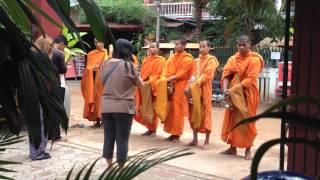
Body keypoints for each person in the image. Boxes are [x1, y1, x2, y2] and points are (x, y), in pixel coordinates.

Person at [100, 39, 144, 167]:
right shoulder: (129, 65)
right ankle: (121, 168)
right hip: (124, 108)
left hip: (107, 107)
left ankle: (109, 166)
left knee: (108, 138)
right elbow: (140, 84)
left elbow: (103, 81)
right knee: (122, 140)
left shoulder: (104, 64)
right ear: (127, 50)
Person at [220, 35, 264, 160]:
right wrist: (225, 91)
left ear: (250, 45)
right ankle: (232, 148)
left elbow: (250, 79)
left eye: (244, 45)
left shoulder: (254, 59)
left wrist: (233, 90)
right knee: (232, 120)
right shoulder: (232, 59)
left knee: (247, 122)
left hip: (248, 94)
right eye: (239, 45)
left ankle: (248, 150)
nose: (241, 47)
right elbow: (227, 75)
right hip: (232, 95)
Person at [155, 37, 195, 142]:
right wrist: (163, 79)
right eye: (175, 44)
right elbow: (165, 70)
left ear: (184, 46)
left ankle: (177, 133)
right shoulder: (171, 58)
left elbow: (182, 73)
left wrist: (167, 79)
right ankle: (171, 132)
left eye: (178, 44)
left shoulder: (188, 59)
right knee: (170, 109)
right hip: (169, 85)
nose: (176, 46)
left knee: (178, 110)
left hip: (180, 86)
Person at [185, 40, 219, 149]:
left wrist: (196, 84)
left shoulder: (212, 60)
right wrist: (188, 86)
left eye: (204, 46)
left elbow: (208, 75)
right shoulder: (196, 61)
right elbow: (193, 76)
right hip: (194, 90)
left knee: (206, 114)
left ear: (209, 48)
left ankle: (207, 141)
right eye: (200, 46)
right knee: (194, 113)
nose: (202, 48)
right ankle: (195, 139)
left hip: (205, 90)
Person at [134, 42, 166, 136]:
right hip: (144, 86)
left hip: (153, 87)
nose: (151, 49)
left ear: (158, 49)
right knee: (144, 106)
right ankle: (149, 128)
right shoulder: (145, 60)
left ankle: (153, 129)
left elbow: (159, 74)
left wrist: (149, 82)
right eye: (150, 47)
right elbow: (143, 72)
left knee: (152, 107)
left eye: (153, 47)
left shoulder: (161, 60)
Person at [30, 36, 53, 160]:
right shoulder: (40, 58)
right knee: (39, 123)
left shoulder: (32, 56)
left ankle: (38, 151)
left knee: (36, 122)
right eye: (50, 45)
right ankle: (37, 152)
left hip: (33, 95)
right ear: (44, 45)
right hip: (38, 95)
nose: (52, 48)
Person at [81, 38, 109, 127]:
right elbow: (87, 68)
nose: (97, 44)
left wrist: (98, 68)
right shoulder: (91, 54)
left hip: (103, 81)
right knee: (94, 99)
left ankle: (103, 120)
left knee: (102, 100)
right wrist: (91, 69)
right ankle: (96, 120)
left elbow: (108, 67)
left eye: (99, 42)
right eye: (95, 42)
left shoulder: (107, 54)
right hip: (92, 80)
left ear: (103, 42)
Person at [50, 35, 68, 141]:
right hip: (57, 84)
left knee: (49, 109)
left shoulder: (46, 51)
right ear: (61, 44)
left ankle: (49, 134)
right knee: (57, 109)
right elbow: (62, 70)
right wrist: (65, 66)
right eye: (64, 46)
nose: (64, 49)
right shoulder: (59, 53)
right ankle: (55, 135)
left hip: (47, 84)